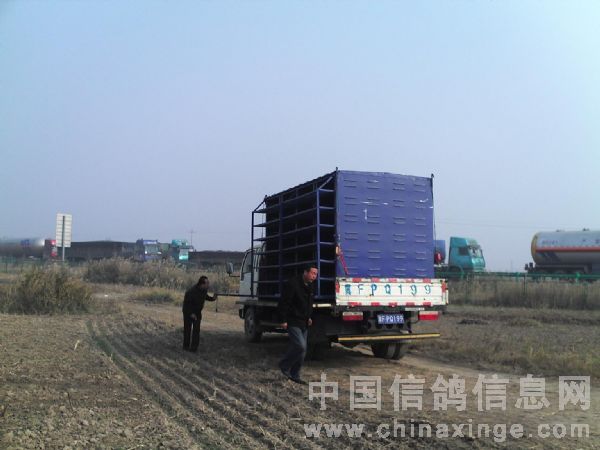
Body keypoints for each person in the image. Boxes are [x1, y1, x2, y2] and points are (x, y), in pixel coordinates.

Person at [278, 264, 318, 384]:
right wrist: (283, 320)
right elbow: (284, 303)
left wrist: (309, 317)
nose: (314, 276)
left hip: (304, 321)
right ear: (305, 272)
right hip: (293, 320)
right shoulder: (292, 284)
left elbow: (309, 303)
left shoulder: (310, 286)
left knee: (302, 351)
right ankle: (284, 365)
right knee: (300, 346)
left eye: (316, 274)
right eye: (312, 273)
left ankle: (295, 374)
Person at [182, 276, 217, 352]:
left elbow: (206, 297)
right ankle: (186, 347)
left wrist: (213, 298)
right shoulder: (191, 291)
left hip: (197, 312)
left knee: (196, 330)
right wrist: (191, 313)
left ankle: (193, 349)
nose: (208, 284)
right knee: (187, 330)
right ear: (202, 284)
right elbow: (186, 305)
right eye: (207, 283)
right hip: (188, 312)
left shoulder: (204, 290)